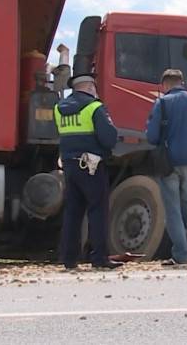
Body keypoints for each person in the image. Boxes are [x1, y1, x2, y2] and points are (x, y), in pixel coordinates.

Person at [55, 73, 123, 270]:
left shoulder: (59, 108)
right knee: (97, 210)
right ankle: (99, 257)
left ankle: (68, 259)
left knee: (72, 212)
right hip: (91, 165)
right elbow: (109, 137)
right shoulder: (94, 107)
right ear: (90, 86)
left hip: (69, 164)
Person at [145, 69, 187, 266]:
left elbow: (152, 136)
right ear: (182, 82)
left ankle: (181, 256)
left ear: (164, 84)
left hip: (169, 163)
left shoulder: (162, 103)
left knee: (173, 210)